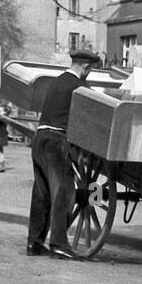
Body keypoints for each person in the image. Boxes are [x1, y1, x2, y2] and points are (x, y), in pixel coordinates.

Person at [27, 48, 99, 260]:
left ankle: (34, 242)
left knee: (41, 194)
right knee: (63, 192)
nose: (90, 73)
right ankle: (58, 244)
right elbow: (88, 120)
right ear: (85, 67)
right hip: (57, 142)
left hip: (39, 138)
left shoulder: (56, 82)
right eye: (91, 69)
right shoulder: (79, 87)